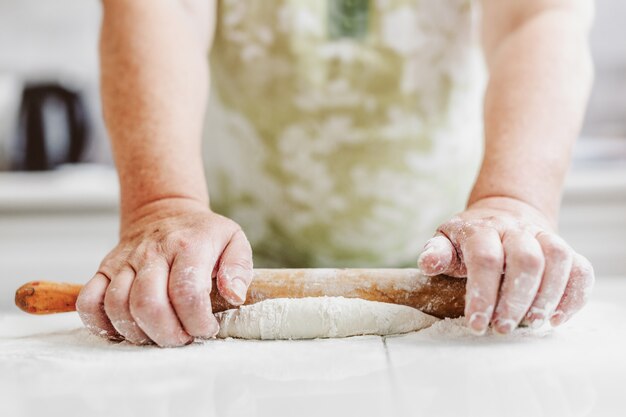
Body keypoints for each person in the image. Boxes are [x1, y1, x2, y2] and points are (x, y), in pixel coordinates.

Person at [76, 0, 595, 347]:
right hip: (211, 272)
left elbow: (538, 16)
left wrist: (513, 200)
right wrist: (163, 203)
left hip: (465, 269)